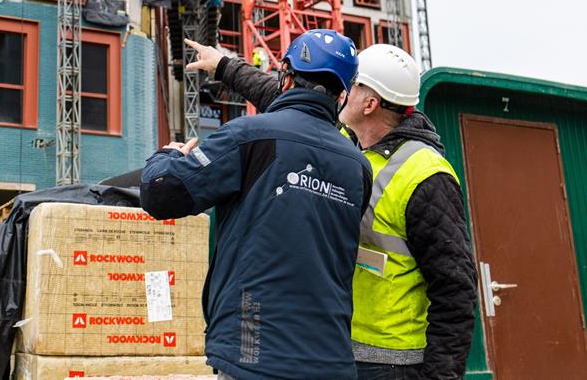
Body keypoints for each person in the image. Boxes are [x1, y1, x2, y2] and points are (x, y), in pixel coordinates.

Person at [185, 38, 478, 379]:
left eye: (350, 84)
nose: (338, 89)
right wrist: (224, 66)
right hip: (333, 352)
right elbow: (286, 102)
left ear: (370, 103)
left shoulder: (425, 174)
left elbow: (456, 290)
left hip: (391, 365)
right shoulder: (342, 140)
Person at [140, 30, 373, 380]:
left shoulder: (250, 136)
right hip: (332, 361)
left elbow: (160, 193)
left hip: (254, 356)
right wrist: (225, 66)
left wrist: (166, 157)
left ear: (286, 77)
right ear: (342, 95)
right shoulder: (358, 166)